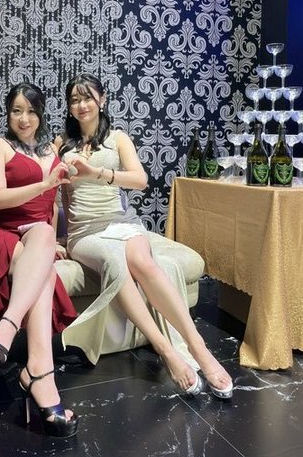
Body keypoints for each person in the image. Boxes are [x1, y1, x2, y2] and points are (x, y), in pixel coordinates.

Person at [55, 73, 233, 399]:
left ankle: (198, 347)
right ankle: (166, 351)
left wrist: (97, 173)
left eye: (87, 97)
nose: (81, 105)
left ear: (102, 100)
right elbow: (62, 195)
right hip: (85, 232)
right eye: (74, 100)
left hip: (121, 220)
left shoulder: (118, 138)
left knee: (143, 261)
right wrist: (63, 236)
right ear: (69, 106)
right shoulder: (62, 144)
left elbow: (140, 180)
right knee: (116, 262)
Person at [0, 82, 79, 437]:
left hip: (36, 233)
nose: (24, 119)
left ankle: (6, 339)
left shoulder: (52, 149)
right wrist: (45, 184)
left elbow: (52, 206)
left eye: (32, 111)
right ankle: (40, 375)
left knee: (43, 239)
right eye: (17, 111)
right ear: (8, 113)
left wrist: (56, 239)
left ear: (41, 114)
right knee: (42, 272)